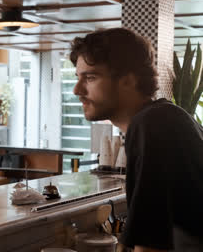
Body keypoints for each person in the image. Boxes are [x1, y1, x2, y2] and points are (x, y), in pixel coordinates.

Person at [70, 28, 203, 251]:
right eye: (77, 78)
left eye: (90, 77)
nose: (77, 90)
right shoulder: (162, 117)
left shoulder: (152, 125)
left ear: (128, 81)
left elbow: (151, 244)